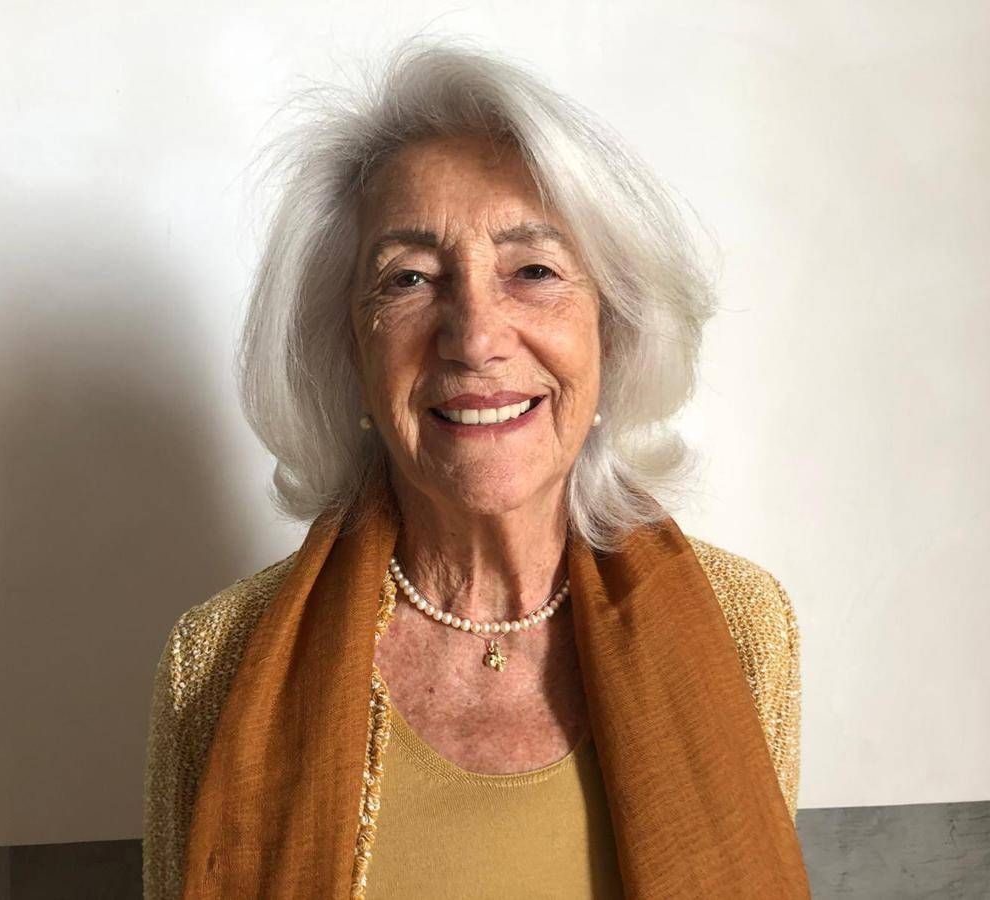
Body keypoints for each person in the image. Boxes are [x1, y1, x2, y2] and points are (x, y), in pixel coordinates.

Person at [143, 36, 809, 900]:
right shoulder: (214, 661)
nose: (476, 338)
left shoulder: (744, 628)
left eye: (533, 270)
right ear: (350, 353)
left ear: (612, 331)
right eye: (410, 280)